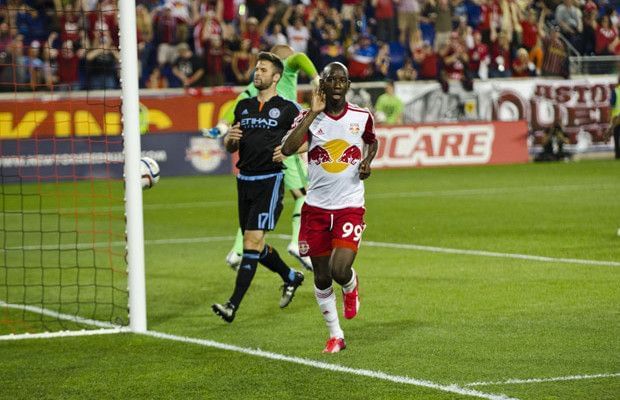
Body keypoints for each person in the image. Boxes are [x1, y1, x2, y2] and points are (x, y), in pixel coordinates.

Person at [281, 62, 378, 353]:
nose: (336, 83)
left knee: (339, 269)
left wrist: (367, 161)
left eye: (341, 79)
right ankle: (336, 335)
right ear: (322, 84)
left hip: (350, 204)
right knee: (321, 276)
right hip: (317, 208)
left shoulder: (362, 117)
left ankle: (350, 284)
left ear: (348, 85)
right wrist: (313, 113)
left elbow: (371, 142)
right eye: (330, 79)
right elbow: (287, 149)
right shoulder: (308, 117)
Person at [203, 45, 319, 272]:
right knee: (304, 194)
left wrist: (218, 129)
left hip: (257, 153)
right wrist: (315, 78)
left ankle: (238, 250)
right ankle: (297, 243)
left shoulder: (251, 89)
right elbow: (302, 57)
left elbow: (233, 111)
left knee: (253, 206)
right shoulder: (286, 71)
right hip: (282, 144)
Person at [211, 52, 305, 323]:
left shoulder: (288, 108)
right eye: (257, 69)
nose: (258, 73)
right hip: (244, 180)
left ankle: (232, 305)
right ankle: (291, 277)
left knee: (251, 241)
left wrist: (288, 151)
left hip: (270, 181)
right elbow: (232, 145)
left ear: (276, 77)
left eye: (263, 70)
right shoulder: (243, 106)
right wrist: (229, 139)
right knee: (257, 244)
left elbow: (311, 138)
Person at [608, 75, 620, 159]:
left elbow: (611, 105)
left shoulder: (615, 91)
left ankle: (617, 154)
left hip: (616, 118)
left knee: (616, 137)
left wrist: (610, 118)